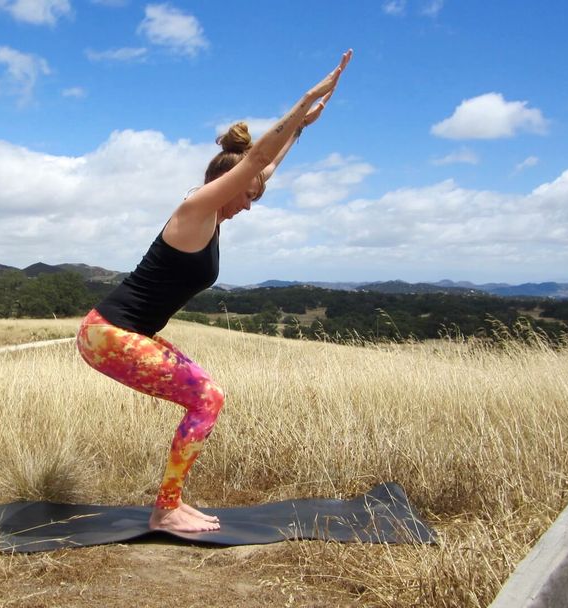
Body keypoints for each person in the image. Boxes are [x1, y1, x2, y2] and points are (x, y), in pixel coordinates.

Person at [76, 51, 353, 533]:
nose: (250, 204)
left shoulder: (217, 213)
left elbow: (266, 166)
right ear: (227, 184)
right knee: (208, 398)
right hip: (107, 333)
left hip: (122, 332)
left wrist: (302, 128)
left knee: (207, 398)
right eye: (247, 194)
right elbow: (258, 159)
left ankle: (169, 503)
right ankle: (165, 509)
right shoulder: (195, 209)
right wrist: (306, 97)